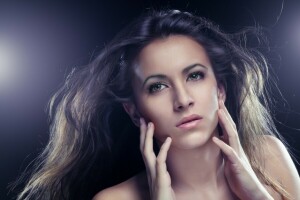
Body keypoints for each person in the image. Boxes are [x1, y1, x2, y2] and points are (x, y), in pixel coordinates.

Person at [16, 9, 300, 200]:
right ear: (134, 110)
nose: (183, 99)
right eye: (158, 86)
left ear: (221, 89)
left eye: (195, 76)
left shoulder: (268, 158)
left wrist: (257, 195)